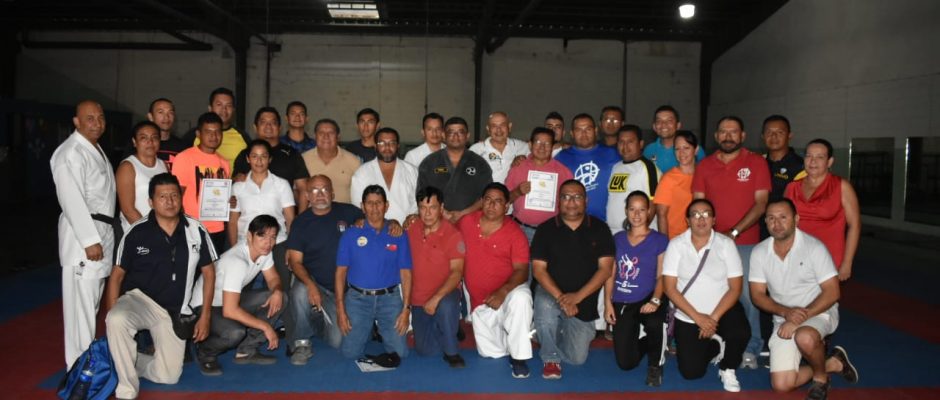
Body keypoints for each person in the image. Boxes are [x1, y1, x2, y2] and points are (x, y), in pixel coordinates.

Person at [104, 173, 216, 399]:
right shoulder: (136, 232)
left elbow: (209, 273)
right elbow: (116, 276)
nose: (169, 201)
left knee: (168, 376)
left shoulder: (196, 229)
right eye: (162, 197)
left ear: (181, 198)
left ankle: (130, 360)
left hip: (174, 311)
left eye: (174, 195)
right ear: (151, 202)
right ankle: (126, 390)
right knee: (116, 319)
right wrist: (111, 316)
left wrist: (205, 316)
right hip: (140, 300)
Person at [750, 199, 859, 399]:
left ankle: (820, 379)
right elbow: (757, 295)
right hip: (784, 318)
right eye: (771, 218)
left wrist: (798, 318)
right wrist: (786, 313)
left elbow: (833, 292)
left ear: (796, 219)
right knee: (782, 385)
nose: (777, 223)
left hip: (818, 311)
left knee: (805, 336)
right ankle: (832, 363)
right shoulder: (759, 252)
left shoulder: (814, 247)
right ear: (765, 222)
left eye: (783, 217)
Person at [692, 116, 770, 369]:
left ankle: (751, 347)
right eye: (723, 132)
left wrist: (734, 232)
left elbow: (761, 204)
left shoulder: (756, 163)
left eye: (733, 132)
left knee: (748, 297)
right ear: (716, 136)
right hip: (711, 244)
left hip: (746, 244)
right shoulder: (705, 165)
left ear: (743, 136)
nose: (728, 136)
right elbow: (698, 204)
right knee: (711, 293)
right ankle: (713, 341)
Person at [51, 100, 117, 368]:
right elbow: (71, 199)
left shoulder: (94, 148)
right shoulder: (70, 152)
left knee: (91, 304)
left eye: (100, 118)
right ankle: (79, 369)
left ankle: (87, 365)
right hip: (84, 237)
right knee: (81, 310)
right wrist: (89, 240)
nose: (97, 123)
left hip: (102, 229)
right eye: (90, 118)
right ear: (76, 122)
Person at [663, 199, 751, 392]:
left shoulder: (726, 244)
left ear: (714, 220)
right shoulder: (676, 245)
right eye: (695, 214)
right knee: (691, 372)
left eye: (706, 214)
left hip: (722, 310)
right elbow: (669, 288)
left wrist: (712, 319)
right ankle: (717, 345)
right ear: (687, 220)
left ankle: (727, 368)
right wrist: (698, 318)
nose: (701, 219)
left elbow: (735, 288)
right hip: (688, 314)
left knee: (741, 331)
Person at [531, 180, 615, 379]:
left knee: (577, 358)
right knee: (544, 305)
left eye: (577, 197)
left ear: (586, 201)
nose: (571, 202)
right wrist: (563, 298)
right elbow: (538, 271)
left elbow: (605, 270)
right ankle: (550, 357)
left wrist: (577, 297)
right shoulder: (545, 229)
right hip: (552, 293)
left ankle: (545, 333)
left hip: (583, 299)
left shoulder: (600, 228)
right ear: (558, 201)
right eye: (566, 197)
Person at [191, 215, 285, 376]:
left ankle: (247, 350)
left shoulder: (264, 252)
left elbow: (273, 279)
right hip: (205, 306)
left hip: (228, 301)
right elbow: (230, 311)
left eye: (273, 237)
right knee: (235, 333)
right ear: (249, 236)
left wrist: (277, 291)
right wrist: (266, 327)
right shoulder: (237, 261)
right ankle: (205, 351)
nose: (268, 242)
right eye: (262, 236)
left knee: (279, 297)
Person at [284, 175, 364, 365]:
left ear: (332, 193)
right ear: (307, 196)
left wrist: (366, 221)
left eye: (325, 189)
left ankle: (315, 317)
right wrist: (311, 285)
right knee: (300, 291)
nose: (320, 194)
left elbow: (374, 216)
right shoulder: (301, 223)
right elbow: (295, 262)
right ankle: (302, 342)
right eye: (314, 190)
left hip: (345, 290)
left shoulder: (348, 211)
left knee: (339, 341)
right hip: (317, 284)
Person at [457, 183, 533, 378]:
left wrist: (503, 291)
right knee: (491, 353)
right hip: (482, 303)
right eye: (488, 200)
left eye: (498, 201)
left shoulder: (515, 233)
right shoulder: (466, 223)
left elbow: (522, 271)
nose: (491, 205)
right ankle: (515, 331)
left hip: (508, 293)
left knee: (522, 299)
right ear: (481, 202)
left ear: (506, 206)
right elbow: (443, 229)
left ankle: (519, 357)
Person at [335, 185, 413, 362]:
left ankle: (374, 328)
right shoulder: (350, 234)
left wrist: (406, 309)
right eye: (370, 203)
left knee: (400, 353)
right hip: (358, 299)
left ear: (386, 206)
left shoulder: (398, 234)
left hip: (389, 299)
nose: (374, 208)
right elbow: (340, 273)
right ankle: (367, 328)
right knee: (350, 353)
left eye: (379, 203)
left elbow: (406, 273)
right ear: (362, 206)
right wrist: (340, 309)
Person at [604, 191, 669, 387]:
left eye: (642, 209)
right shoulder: (617, 239)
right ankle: (648, 342)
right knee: (626, 363)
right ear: (626, 211)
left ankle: (655, 365)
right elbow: (610, 274)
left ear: (649, 212)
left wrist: (655, 300)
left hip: (649, 296)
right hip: (623, 299)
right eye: (632, 209)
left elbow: (662, 276)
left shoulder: (660, 240)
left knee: (655, 323)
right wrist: (607, 303)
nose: (637, 214)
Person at [784, 139, 861, 282]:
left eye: (820, 157)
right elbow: (784, 225)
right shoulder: (792, 187)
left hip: (829, 258)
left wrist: (847, 262)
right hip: (796, 256)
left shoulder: (842, 186)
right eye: (809, 156)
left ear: (829, 162)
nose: (813, 161)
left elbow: (854, 226)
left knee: (824, 297)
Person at [406, 186, 466, 368]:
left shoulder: (453, 235)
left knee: (446, 306)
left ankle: (452, 351)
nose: (427, 213)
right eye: (422, 208)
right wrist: (394, 223)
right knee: (425, 351)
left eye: (432, 207)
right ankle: (449, 327)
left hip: (445, 294)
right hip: (419, 299)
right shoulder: (411, 227)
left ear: (441, 208)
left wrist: (436, 299)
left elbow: (457, 272)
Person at [229, 139, 296, 291]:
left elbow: (290, 218)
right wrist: (234, 250)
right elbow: (233, 221)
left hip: (277, 242)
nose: (259, 161)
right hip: (246, 243)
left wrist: (291, 247)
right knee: (240, 290)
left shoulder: (281, 184)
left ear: (270, 159)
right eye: (254, 156)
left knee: (282, 289)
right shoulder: (238, 186)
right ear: (248, 159)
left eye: (263, 156)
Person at [170, 112, 231, 253]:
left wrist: (230, 201)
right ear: (198, 134)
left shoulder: (224, 163)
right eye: (208, 132)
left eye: (217, 132)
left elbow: (222, 196)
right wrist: (182, 226)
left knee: (215, 266)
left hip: (218, 228)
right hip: (192, 227)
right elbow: (176, 195)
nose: (213, 136)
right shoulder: (184, 158)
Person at [417, 116, 493, 224]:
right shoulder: (429, 162)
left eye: (460, 132)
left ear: (467, 136)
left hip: (471, 221)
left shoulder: (480, 163)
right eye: (451, 132)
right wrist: (443, 212)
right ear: (444, 135)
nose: (456, 136)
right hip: (437, 221)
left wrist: (463, 213)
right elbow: (422, 194)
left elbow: (488, 196)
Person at [505, 127, 574, 245]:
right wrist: (518, 192)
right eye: (538, 142)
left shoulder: (564, 172)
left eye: (547, 143)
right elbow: (505, 199)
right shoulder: (518, 167)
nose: (542, 147)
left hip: (551, 232)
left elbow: (570, 203)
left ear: (553, 147)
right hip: (521, 230)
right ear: (530, 145)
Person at [233, 107, 309, 209]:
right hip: (250, 214)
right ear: (255, 127)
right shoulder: (245, 154)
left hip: (283, 214)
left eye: (273, 122)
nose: (268, 126)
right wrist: (237, 179)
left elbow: (303, 189)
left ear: (280, 128)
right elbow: (234, 185)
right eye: (263, 122)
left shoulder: (292, 154)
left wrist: (301, 217)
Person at [554, 113, 620, 220]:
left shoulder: (613, 154)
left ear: (595, 130)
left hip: (607, 222)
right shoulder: (561, 158)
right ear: (572, 133)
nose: (584, 134)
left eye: (588, 129)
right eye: (579, 130)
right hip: (571, 222)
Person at [350, 127, 418, 224]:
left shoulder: (412, 171)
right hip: (373, 229)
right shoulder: (362, 173)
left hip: (408, 227)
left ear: (398, 146)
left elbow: (418, 203)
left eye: (392, 143)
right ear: (375, 146)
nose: (387, 147)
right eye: (382, 143)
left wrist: (412, 218)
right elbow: (357, 206)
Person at [605, 125, 661, 234]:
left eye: (630, 142)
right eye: (621, 142)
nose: (625, 146)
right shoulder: (616, 167)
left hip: (637, 235)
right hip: (614, 233)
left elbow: (654, 203)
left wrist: (637, 233)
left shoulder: (648, 168)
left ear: (641, 144)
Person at [760, 115, 805, 240]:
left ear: (790, 135)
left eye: (780, 132)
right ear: (762, 136)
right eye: (769, 132)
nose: (774, 137)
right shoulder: (757, 163)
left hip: (786, 233)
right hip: (758, 231)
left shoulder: (801, 167)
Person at [117, 121, 168, 231]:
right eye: (143, 138)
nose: (150, 142)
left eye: (154, 137)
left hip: (163, 231)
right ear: (134, 142)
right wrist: (150, 232)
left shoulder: (163, 165)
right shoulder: (128, 167)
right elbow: (128, 210)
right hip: (138, 233)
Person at [185, 87, 251, 171]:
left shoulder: (243, 137)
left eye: (228, 105)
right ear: (210, 108)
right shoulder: (194, 135)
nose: (224, 109)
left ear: (233, 110)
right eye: (219, 104)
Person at [302, 118, 361, 204]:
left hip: (344, 212)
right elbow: (298, 191)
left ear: (338, 137)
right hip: (312, 212)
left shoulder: (353, 161)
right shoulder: (303, 159)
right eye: (321, 133)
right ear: (315, 136)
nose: (326, 136)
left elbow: (360, 193)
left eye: (331, 133)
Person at [654, 131, 698, 239]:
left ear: (696, 150)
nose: (681, 153)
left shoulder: (702, 174)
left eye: (686, 148)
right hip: (674, 239)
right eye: (677, 149)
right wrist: (664, 244)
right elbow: (661, 214)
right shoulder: (669, 178)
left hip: (698, 238)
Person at [469, 111, 530, 184]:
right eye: (494, 126)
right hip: (485, 191)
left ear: (509, 126)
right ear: (488, 129)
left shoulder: (523, 147)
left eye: (502, 125)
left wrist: (524, 161)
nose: (498, 130)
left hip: (514, 191)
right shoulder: (476, 150)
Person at [643, 105, 706, 173]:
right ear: (654, 127)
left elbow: (705, 174)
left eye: (669, 121)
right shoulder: (649, 150)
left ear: (678, 125)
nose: (664, 124)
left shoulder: (694, 150)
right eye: (659, 121)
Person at [146, 98, 186, 170]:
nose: (166, 117)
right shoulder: (141, 145)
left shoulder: (183, 147)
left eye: (170, 113)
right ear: (150, 117)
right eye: (161, 112)